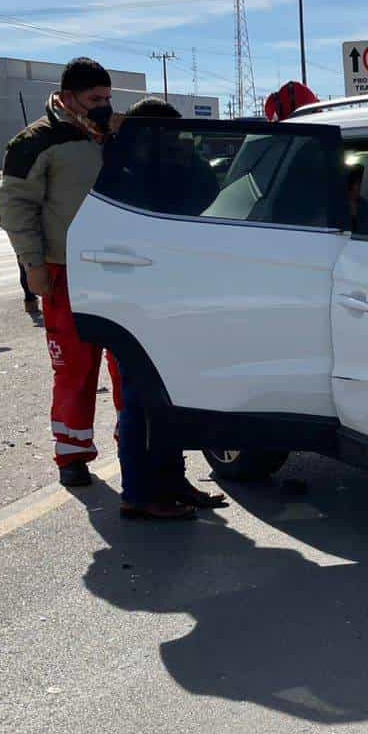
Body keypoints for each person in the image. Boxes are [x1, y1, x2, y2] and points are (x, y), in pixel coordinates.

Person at [0, 57, 132, 491]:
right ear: (69, 96)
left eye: (108, 99)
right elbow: (16, 206)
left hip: (120, 268)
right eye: (95, 99)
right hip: (64, 270)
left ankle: (135, 447)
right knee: (74, 367)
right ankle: (72, 455)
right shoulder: (35, 142)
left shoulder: (111, 136)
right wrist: (32, 265)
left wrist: (122, 137)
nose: (103, 106)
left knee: (129, 366)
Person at [110, 96, 226, 519]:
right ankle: (140, 494)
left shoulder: (173, 168)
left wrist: (183, 155)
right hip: (136, 296)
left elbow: (206, 193)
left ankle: (172, 482)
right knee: (140, 398)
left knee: (168, 394)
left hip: (170, 291)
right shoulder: (121, 170)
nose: (180, 143)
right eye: (171, 137)